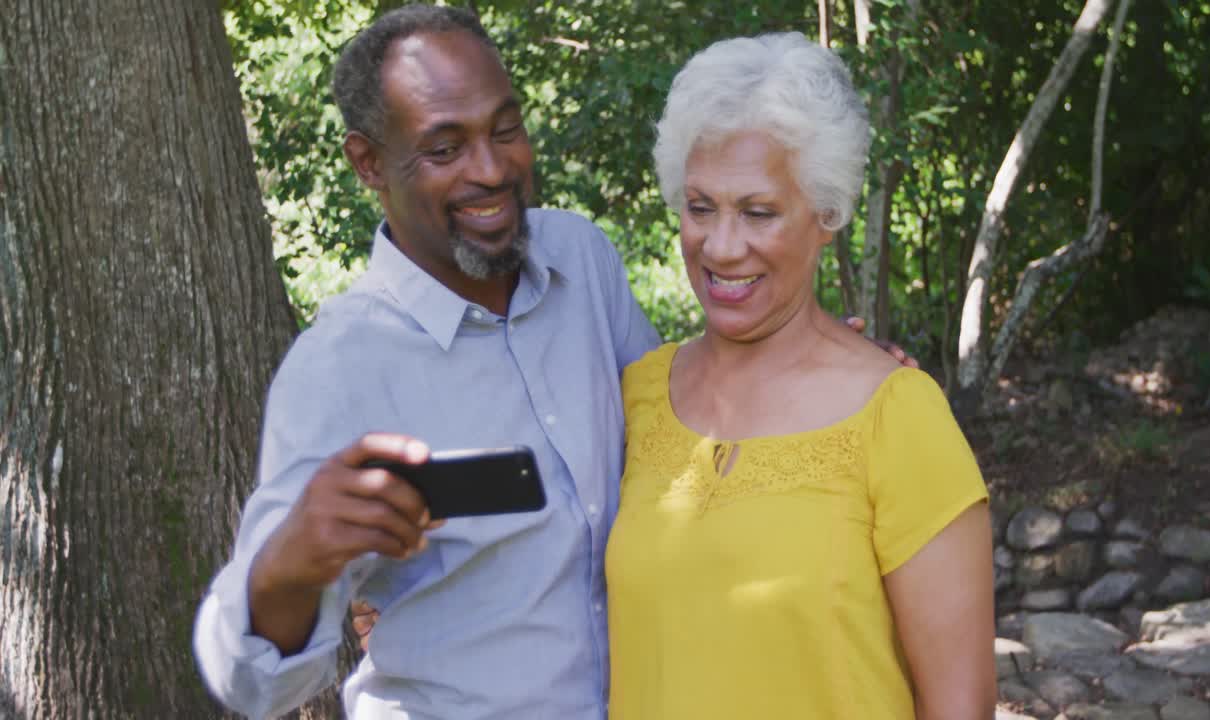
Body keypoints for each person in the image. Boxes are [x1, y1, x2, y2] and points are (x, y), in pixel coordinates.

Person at [192, 6, 910, 719]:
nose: (491, 167)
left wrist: (816, 364)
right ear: (368, 161)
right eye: (445, 149)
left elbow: (680, 434)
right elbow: (251, 684)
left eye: (506, 129)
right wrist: (291, 563)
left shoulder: (581, 262)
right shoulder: (339, 367)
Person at [604, 33, 996, 720]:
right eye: (700, 207)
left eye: (758, 212)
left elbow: (960, 707)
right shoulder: (635, 397)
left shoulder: (897, 417)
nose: (721, 247)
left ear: (826, 216)